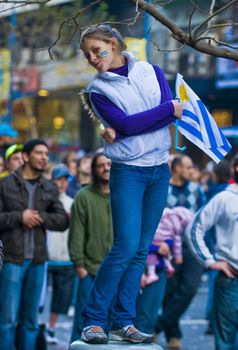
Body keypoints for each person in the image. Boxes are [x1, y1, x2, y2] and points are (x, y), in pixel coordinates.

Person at [77, 24, 183, 345]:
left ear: (114, 43)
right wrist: (164, 110)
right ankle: (93, 320)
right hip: (128, 171)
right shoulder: (97, 90)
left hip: (158, 170)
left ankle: (123, 321)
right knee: (124, 246)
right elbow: (129, 122)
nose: (94, 59)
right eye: (88, 55)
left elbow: (165, 119)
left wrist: (135, 125)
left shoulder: (151, 70)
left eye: (98, 50)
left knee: (140, 251)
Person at [0, 139, 69, 350]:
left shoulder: (49, 186)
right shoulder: (5, 184)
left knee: (31, 321)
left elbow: (62, 220)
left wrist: (41, 218)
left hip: (39, 260)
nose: (44, 158)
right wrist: (20, 217)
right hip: (13, 259)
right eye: (39, 153)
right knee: (7, 321)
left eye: (46, 154)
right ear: (26, 156)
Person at [185, 155, 238, 350]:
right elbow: (193, 228)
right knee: (226, 343)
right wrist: (209, 260)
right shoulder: (224, 198)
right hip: (231, 279)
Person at [154, 154, 206, 349]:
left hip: (193, 244)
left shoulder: (196, 189)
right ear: (176, 168)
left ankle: (157, 326)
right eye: (187, 166)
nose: (191, 170)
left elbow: (204, 216)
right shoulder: (163, 189)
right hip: (168, 245)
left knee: (190, 287)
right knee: (170, 290)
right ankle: (173, 336)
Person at [68, 152, 113, 342]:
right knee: (83, 324)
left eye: (109, 164)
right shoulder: (83, 195)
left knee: (110, 325)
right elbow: (76, 233)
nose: (106, 168)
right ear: (94, 170)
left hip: (114, 272)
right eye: (101, 165)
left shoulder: (123, 195)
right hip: (89, 270)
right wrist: (79, 267)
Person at [135, 206, 194, 335]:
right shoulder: (137, 209)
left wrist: (167, 243)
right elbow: (134, 240)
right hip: (140, 268)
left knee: (151, 313)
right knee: (142, 314)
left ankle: (148, 339)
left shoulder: (165, 216)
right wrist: (156, 248)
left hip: (159, 269)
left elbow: (173, 238)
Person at [45, 164, 74, 345]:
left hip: (65, 259)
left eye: (65, 180)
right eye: (58, 179)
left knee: (59, 299)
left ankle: (51, 327)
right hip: (46, 258)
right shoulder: (45, 201)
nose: (62, 183)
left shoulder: (73, 203)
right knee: (39, 300)